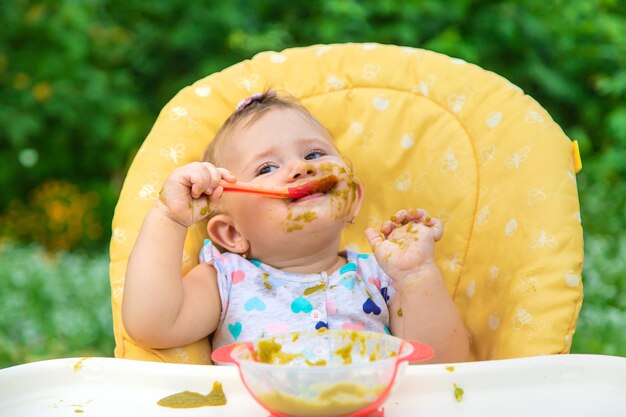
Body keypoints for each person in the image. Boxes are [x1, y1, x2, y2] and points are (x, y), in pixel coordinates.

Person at [122, 91, 469, 364]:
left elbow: (441, 365)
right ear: (232, 234)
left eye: (315, 155)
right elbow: (151, 325)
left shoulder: (380, 276)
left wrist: (417, 275)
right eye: (266, 167)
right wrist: (170, 217)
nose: (300, 167)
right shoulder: (227, 279)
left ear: (353, 198)